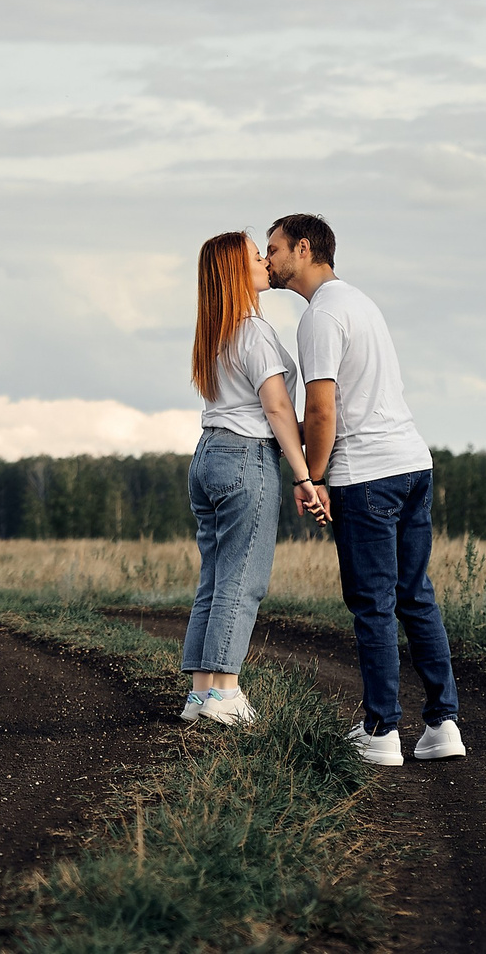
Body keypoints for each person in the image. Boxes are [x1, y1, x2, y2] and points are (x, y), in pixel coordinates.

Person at [265, 213, 465, 765]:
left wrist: (315, 477)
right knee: (415, 596)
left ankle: (380, 733)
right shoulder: (359, 302)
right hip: (412, 464)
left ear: (304, 249)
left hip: (367, 475)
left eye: (274, 249)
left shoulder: (320, 317)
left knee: (373, 606)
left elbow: (323, 408)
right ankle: (443, 724)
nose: (270, 260)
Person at [178, 230, 327, 726]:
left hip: (209, 455)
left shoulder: (215, 332)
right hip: (246, 457)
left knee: (216, 577)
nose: (265, 260)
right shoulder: (254, 331)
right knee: (243, 580)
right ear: (235, 272)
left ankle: (201, 694)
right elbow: (277, 406)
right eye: (255, 255)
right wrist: (305, 475)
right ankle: (226, 692)